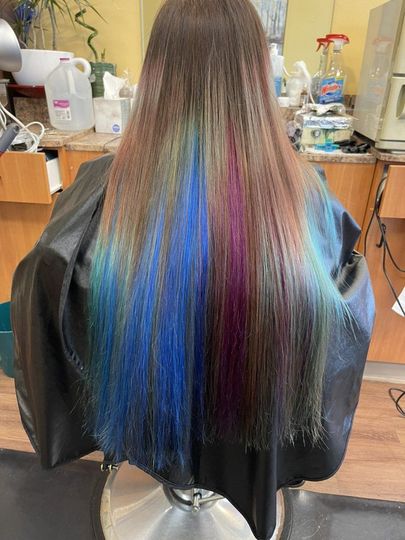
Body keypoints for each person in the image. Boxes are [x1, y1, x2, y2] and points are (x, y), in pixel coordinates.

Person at [11, 1, 375, 538]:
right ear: (256, 76)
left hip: (140, 413)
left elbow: (45, 290)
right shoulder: (309, 196)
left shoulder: (95, 189)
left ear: (158, 74)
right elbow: (341, 333)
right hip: (250, 429)